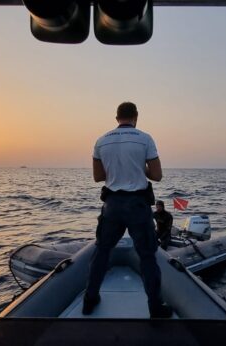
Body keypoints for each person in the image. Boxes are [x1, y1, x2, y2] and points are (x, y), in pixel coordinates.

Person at [84, 101, 173, 318]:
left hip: (112, 206)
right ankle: (155, 307)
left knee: (102, 252)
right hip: (137, 206)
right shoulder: (145, 138)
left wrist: (117, 169)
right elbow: (157, 175)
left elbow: (98, 177)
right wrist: (138, 167)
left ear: (117, 118)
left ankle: (89, 300)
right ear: (136, 117)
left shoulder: (101, 141)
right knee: (147, 257)